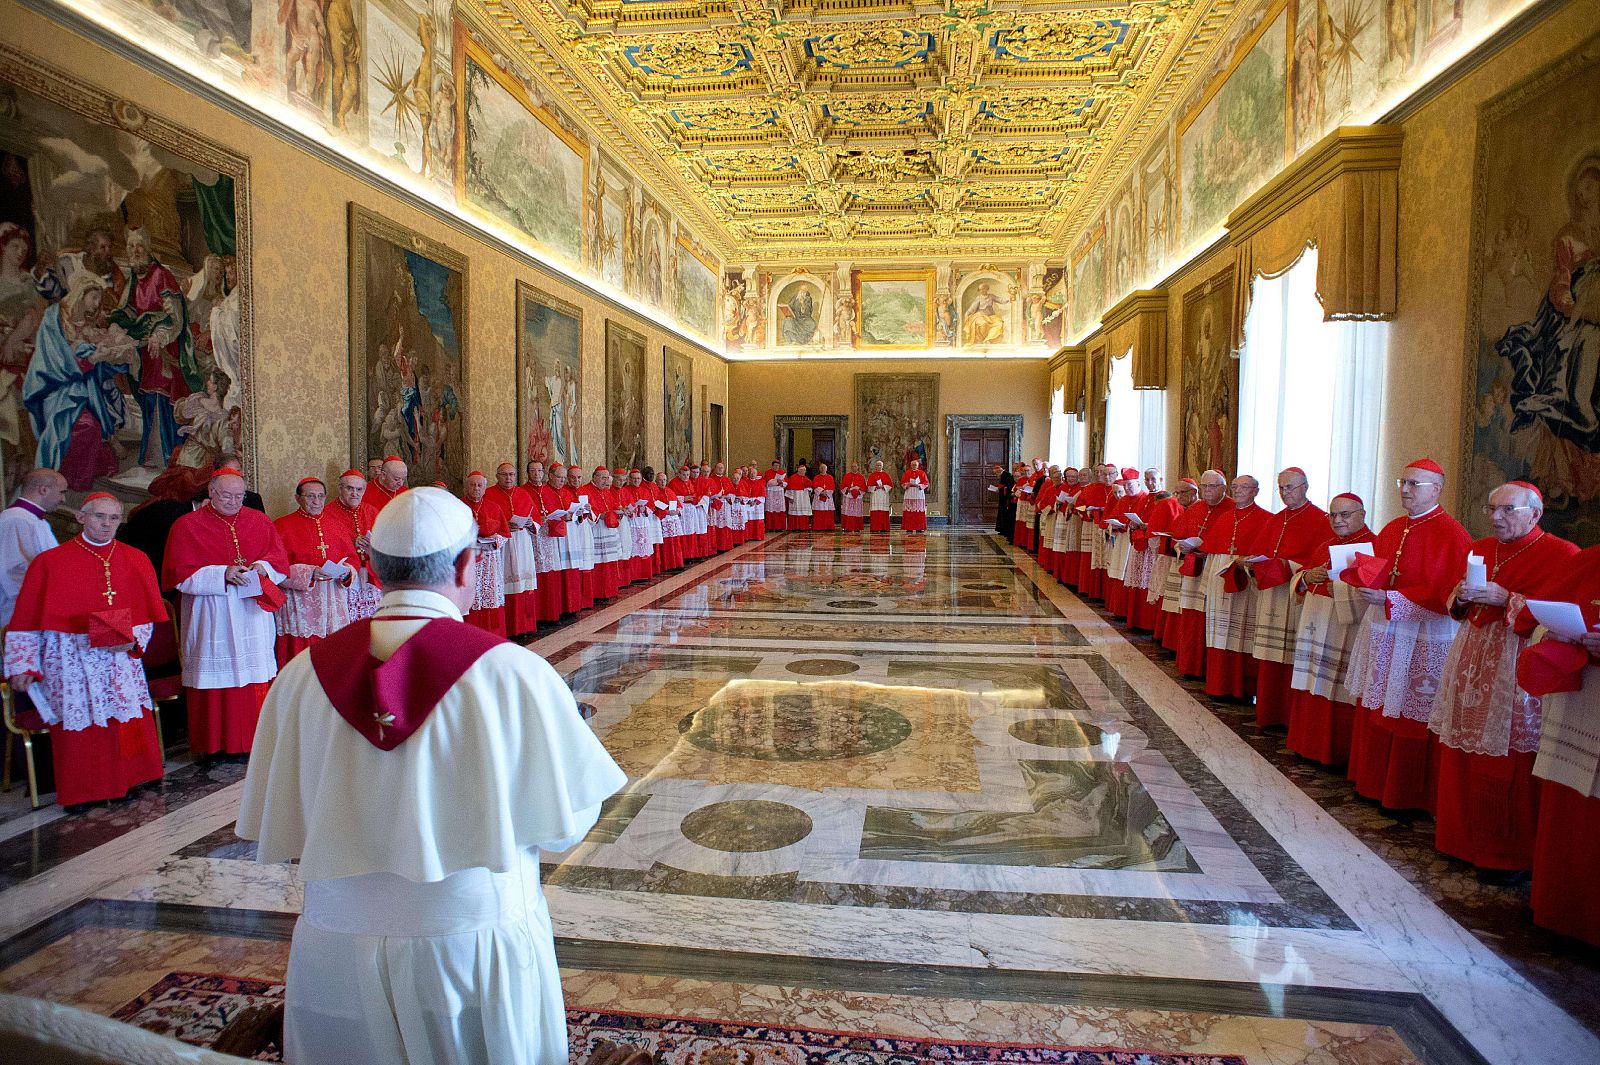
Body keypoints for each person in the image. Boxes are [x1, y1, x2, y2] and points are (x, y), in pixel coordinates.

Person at [236, 487, 627, 1065]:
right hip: (472, 940)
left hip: (336, 942)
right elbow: (565, 824)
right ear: (469, 565)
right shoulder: (513, 673)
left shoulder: (298, 677)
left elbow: (281, 812)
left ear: (370, 567)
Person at [1428, 481, 1576, 872]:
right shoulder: (1480, 547)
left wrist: (1506, 598)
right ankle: (1458, 838)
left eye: (1507, 510)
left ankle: (1504, 855)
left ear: (1535, 513)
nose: (1496, 517)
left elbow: (1563, 619)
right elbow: (1453, 596)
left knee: (1508, 757)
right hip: (1471, 655)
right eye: (1492, 509)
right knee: (1462, 747)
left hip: (1515, 665)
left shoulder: (1562, 554)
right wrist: (1460, 595)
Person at [5, 493, 166, 809]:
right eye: (98, 517)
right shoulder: (50, 562)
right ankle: (82, 792)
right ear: (81, 517)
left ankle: (128, 781)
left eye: (113, 518)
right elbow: (25, 620)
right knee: (79, 722)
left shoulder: (135, 558)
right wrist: (22, 664)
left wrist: (134, 642)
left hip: (119, 659)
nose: (106, 524)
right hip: (70, 657)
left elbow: (145, 617)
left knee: (124, 719)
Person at [1344, 459, 1471, 812]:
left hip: (1422, 636)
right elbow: (1381, 570)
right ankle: (1371, 781)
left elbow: (1445, 594)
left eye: (1414, 484)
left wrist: (1390, 598)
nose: (1404, 489)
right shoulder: (1393, 527)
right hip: (1386, 630)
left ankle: (1404, 794)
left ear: (1436, 488)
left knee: (1409, 712)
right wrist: (1365, 580)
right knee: (1379, 703)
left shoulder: (1452, 534)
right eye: (1403, 482)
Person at [162, 468, 288, 758]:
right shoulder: (187, 525)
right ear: (211, 493)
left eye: (239, 496)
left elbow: (278, 560)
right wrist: (223, 573)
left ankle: (256, 740)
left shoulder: (259, 520)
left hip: (251, 613)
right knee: (216, 677)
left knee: (253, 675)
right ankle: (214, 745)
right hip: (212, 614)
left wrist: (262, 568)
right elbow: (178, 575)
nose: (234, 501)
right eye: (227, 495)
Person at [1517, 546, 1600, 945]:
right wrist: (1552, 634)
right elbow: (1535, 619)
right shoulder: (1589, 559)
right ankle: (1558, 908)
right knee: (1568, 803)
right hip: (1580, 700)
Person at [1286, 494, 1373, 765]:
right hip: (1316, 621)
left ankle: (1333, 751)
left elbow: (1368, 594)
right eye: (1333, 515)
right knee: (1312, 681)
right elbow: (1303, 577)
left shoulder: (1372, 546)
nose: (1338, 520)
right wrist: (1306, 576)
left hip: (1343, 627)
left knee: (1336, 687)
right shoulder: (1326, 544)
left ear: (1362, 514)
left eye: (1345, 514)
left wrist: (1334, 584)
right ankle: (1305, 743)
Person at [1247, 469, 1330, 724]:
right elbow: (1259, 551)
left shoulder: (1320, 520)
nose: (1285, 493)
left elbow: (1320, 564)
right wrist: (1252, 564)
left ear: (1305, 487)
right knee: (1270, 657)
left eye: (1290, 487)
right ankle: (1269, 710)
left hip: (1296, 596)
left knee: (1293, 656)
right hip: (1271, 594)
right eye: (1281, 488)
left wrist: (1288, 566)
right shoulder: (1275, 519)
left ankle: (1288, 715)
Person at [274, 477, 357, 665]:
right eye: (310, 496)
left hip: (333, 601)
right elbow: (275, 568)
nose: (317, 501)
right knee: (301, 658)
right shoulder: (282, 526)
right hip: (300, 605)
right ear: (298, 498)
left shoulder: (337, 525)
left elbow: (351, 559)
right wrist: (309, 573)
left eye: (321, 496)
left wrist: (346, 572)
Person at [1169, 470, 1228, 672]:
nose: (1208, 491)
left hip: (1215, 571)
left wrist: (1209, 553)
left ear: (1224, 488)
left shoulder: (1230, 509)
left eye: (1213, 487)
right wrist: (1181, 547)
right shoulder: (1195, 509)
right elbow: (1178, 536)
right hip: (1193, 569)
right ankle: (1190, 664)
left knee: (1211, 618)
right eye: (1205, 486)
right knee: (1192, 616)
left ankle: (1208, 668)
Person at [0, 468, 63, 626]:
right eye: (62, 492)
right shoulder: (16, 519)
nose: (63, 499)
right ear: (44, 490)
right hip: (17, 611)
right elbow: (12, 572)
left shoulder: (36, 520)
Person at [487, 462, 540, 637]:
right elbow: (487, 522)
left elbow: (536, 519)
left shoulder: (523, 493)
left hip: (523, 542)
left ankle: (524, 626)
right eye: (504, 475)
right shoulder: (489, 495)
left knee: (523, 583)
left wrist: (531, 524)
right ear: (497, 476)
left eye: (511, 474)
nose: (508, 478)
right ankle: (509, 626)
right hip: (503, 544)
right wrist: (503, 525)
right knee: (506, 582)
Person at [328, 470, 382, 622]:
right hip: (345, 580)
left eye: (359, 489)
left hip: (371, 576)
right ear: (340, 488)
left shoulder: (371, 511)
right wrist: (351, 543)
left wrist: (373, 548)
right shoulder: (327, 513)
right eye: (349, 488)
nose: (354, 493)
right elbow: (325, 547)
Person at [1148, 478, 1198, 640]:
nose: (1177, 497)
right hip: (1178, 558)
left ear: (1193, 493)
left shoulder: (1199, 510)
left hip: (1192, 563)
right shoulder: (1186, 509)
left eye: (1180, 493)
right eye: (1175, 493)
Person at [461, 472, 509, 635]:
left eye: (480, 485)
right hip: (467, 560)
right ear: (466, 487)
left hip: (489, 560)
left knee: (489, 594)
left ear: (484, 488)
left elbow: (505, 533)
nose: (476, 488)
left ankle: (492, 633)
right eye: (472, 485)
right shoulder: (458, 507)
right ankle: (470, 633)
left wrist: (496, 540)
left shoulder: (493, 507)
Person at [524, 462, 570, 621]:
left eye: (539, 471)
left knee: (551, 575)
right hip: (532, 537)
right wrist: (537, 519)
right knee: (536, 575)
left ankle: (551, 612)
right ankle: (538, 615)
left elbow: (558, 511)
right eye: (533, 471)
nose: (537, 474)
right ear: (527, 472)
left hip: (549, 538)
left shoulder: (549, 491)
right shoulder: (523, 492)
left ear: (544, 473)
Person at [579, 465, 624, 600]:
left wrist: (617, 511)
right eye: (603, 478)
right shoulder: (585, 490)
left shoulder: (606, 491)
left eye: (607, 478)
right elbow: (586, 511)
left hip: (609, 531)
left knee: (609, 561)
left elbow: (612, 505)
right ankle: (599, 592)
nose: (606, 481)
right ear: (595, 477)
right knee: (599, 563)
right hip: (595, 529)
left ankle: (609, 590)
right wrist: (600, 515)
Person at [900, 458, 930, 534]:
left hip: (918, 492)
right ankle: (909, 527)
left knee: (918, 510)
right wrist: (908, 484)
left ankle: (919, 528)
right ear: (910, 465)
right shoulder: (907, 473)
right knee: (909, 510)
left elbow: (926, 483)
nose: (914, 466)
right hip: (909, 492)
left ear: (918, 465)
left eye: (915, 465)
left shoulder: (922, 473)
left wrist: (918, 485)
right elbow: (903, 482)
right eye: (912, 465)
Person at [785, 461, 813, 530]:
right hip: (796, 497)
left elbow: (810, 487)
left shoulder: (806, 478)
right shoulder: (792, 478)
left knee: (803, 512)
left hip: (804, 497)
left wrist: (809, 489)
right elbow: (789, 488)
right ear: (800, 471)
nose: (805, 472)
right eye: (804, 470)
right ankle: (794, 527)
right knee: (795, 511)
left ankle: (803, 527)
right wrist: (790, 497)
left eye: (805, 471)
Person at [867, 461, 893, 533]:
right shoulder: (872, 475)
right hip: (875, 494)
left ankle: (883, 527)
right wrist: (875, 487)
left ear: (882, 466)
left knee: (883, 511)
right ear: (875, 466)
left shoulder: (886, 475)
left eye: (880, 465)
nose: (879, 466)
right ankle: (875, 527)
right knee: (875, 511)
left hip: (883, 494)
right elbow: (869, 486)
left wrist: (883, 486)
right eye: (877, 465)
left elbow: (890, 485)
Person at [763, 460, 787, 534]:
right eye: (775, 465)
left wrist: (781, 482)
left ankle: (779, 527)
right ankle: (770, 527)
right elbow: (767, 482)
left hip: (779, 493)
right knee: (770, 509)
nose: (777, 467)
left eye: (778, 466)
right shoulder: (768, 472)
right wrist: (777, 481)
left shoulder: (782, 472)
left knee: (779, 509)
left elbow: (786, 483)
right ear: (772, 466)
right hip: (771, 493)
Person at [812, 462, 837, 531]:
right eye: (821, 468)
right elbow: (814, 486)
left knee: (828, 511)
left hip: (828, 497)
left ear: (826, 469)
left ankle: (828, 526)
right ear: (819, 469)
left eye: (824, 468)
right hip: (818, 497)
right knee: (819, 511)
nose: (823, 469)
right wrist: (821, 492)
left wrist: (826, 493)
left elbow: (832, 487)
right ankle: (818, 527)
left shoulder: (830, 477)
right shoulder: (816, 477)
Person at [994, 463, 1016, 536]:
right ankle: (1001, 529)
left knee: (1004, 513)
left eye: (995, 473)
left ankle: (1004, 530)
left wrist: (1000, 488)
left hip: (1005, 498)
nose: (995, 475)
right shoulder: (1004, 475)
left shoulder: (1006, 475)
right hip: (1003, 497)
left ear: (998, 471)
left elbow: (1007, 486)